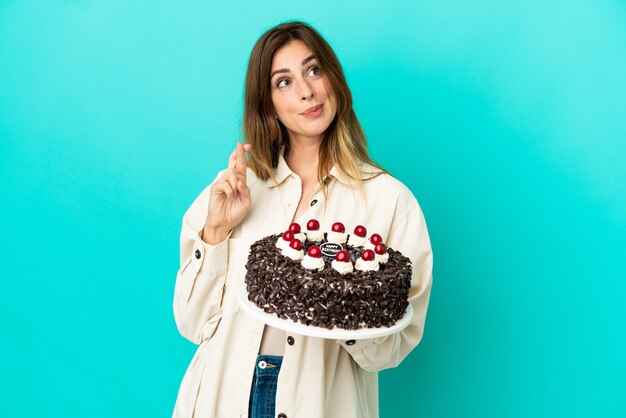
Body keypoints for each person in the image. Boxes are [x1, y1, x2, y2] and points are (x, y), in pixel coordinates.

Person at [172, 20, 433, 418]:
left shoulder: (391, 202)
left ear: (334, 79)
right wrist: (215, 232)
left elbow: (393, 348)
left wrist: (348, 307)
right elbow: (193, 324)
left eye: (313, 70)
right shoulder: (236, 189)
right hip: (223, 397)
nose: (306, 91)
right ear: (268, 103)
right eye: (283, 82)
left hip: (322, 404)